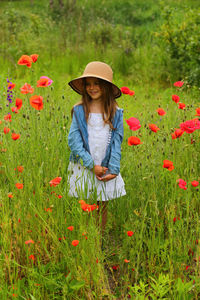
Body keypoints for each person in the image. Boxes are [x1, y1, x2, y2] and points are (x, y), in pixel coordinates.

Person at [67, 61, 126, 233]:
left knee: (102, 206)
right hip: (85, 165)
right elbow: (74, 142)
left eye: (97, 83)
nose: (92, 87)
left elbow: (117, 141)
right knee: (86, 205)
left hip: (105, 166)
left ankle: (99, 240)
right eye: (88, 84)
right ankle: (87, 240)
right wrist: (91, 165)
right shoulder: (79, 110)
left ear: (106, 86)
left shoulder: (115, 112)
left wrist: (113, 169)